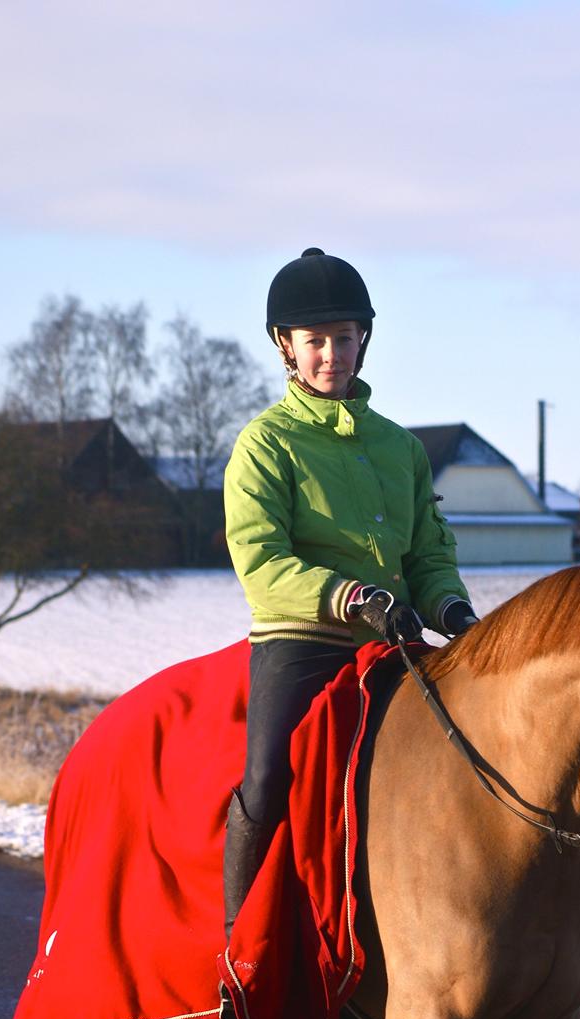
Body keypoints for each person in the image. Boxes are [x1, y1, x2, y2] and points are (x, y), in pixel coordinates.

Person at [221, 246, 478, 940]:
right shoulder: (263, 445)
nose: (329, 354)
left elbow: (427, 549)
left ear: (363, 340)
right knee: (270, 773)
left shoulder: (401, 448)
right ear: (286, 347)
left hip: (394, 640)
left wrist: (449, 606)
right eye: (314, 342)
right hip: (300, 642)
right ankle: (238, 943)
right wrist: (349, 597)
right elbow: (260, 559)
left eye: (342, 339)